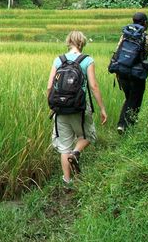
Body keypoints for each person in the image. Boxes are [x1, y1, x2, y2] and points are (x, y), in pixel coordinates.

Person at [47, 31, 107, 186]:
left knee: (64, 146)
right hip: (79, 108)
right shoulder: (87, 60)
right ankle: (76, 152)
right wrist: (102, 109)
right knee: (88, 136)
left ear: (69, 42)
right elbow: (93, 86)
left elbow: (49, 87)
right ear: (82, 43)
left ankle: (67, 181)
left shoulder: (58, 60)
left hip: (59, 108)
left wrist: (53, 106)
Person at [115, 12, 148, 134]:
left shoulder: (124, 37)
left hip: (122, 73)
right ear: (145, 23)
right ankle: (123, 125)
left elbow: (118, 54)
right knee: (134, 100)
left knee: (130, 98)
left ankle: (128, 124)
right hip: (137, 75)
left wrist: (117, 72)